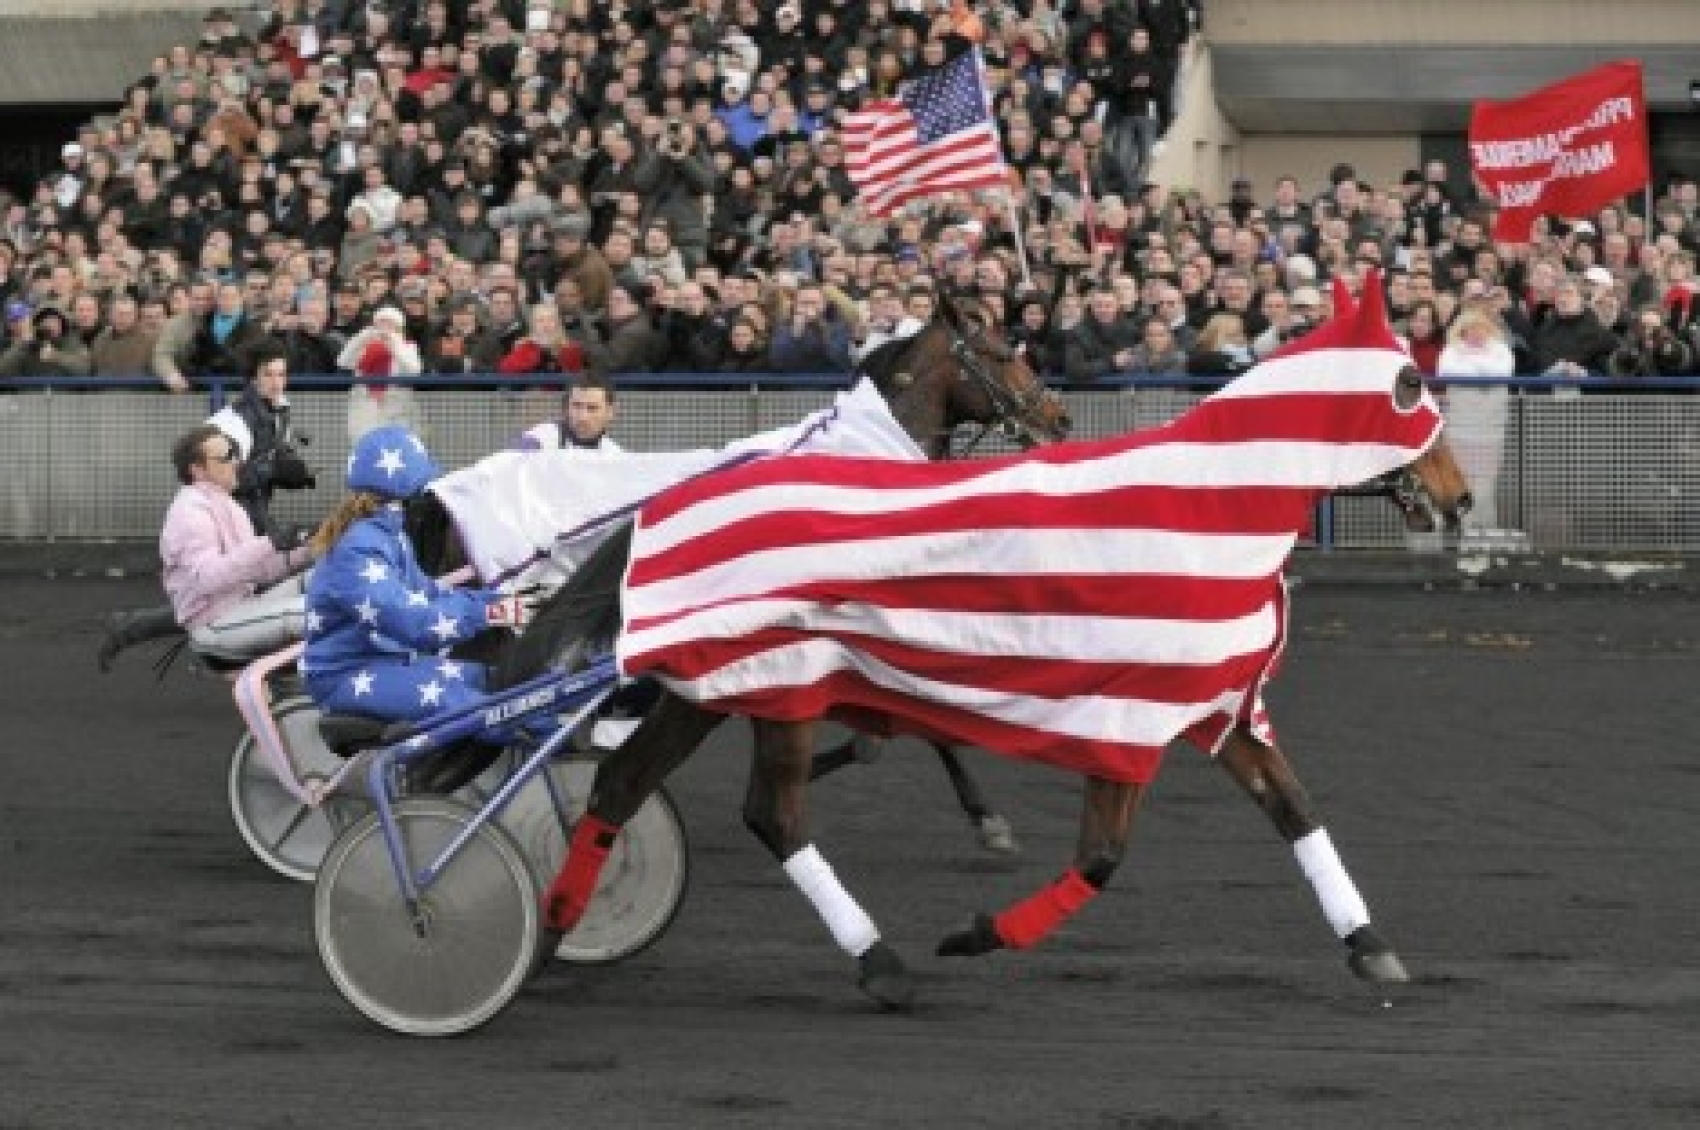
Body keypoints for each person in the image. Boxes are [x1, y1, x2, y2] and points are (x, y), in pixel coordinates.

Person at [302, 424, 525, 725]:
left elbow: (427, 594)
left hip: (388, 662)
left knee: (491, 679)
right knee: (474, 707)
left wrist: (498, 600)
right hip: (344, 675)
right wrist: (489, 612)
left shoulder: (391, 536)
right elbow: (411, 622)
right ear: (406, 490)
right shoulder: (357, 550)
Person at [157, 422, 314, 662]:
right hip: (212, 623)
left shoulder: (228, 504)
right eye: (226, 457)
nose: (236, 462)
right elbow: (207, 579)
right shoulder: (189, 511)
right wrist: (270, 543)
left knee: (323, 579)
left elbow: (260, 571)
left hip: (242, 606)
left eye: (234, 453)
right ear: (198, 470)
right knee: (311, 614)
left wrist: (311, 548)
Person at [206, 348, 315, 539]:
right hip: (223, 519)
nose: (276, 382)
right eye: (268, 374)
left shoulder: (280, 410)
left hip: (255, 513)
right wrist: (273, 470)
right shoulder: (232, 421)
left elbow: (273, 457)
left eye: (281, 374)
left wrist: (295, 473)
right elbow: (218, 479)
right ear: (253, 379)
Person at [1435, 308, 1516, 531]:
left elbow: (1502, 372)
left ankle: (1486, 533)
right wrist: (1481, 372)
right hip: (1459, 429)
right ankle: (1464, 533)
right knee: (1462, 482)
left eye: (1481, 328)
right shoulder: (1451, 351)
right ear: (1461, 331)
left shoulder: (1501, 350)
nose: (1476, 333)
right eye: (1470, 329)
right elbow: (1446, 371)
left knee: (1485, 484)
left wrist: (1471, 369)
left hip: (1491, 430)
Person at [513, 373, 623, 452]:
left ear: (610, 412)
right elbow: (515, 459)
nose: (583, 417)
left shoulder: (614, 454)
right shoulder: (544, 436)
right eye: (576, 406)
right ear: (566, 408)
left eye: (592, 408)